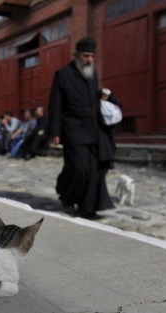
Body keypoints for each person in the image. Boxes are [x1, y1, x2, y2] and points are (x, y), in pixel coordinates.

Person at [48, 37, 115, 219]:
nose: (90, 60)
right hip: (73, 130)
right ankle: (66, 195)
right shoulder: (62, 75)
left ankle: (87, 209)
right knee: (78, 168)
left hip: (94, 131)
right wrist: (54, 132)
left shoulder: (92, 75)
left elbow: (94, 99)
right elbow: (55, 104)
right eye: (86, 56)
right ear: (76, 55)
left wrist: (104, 96)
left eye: (92, 56)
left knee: (94, 171)